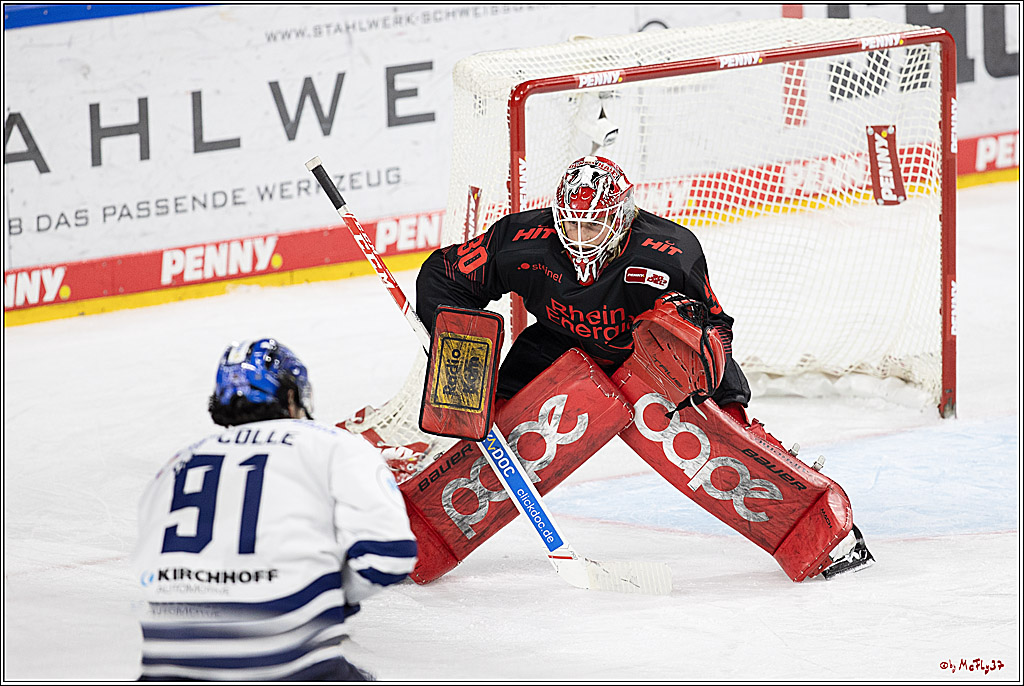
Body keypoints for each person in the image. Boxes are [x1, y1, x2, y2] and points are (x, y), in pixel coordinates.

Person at [132, 338, 417, 681]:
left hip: (168, 664)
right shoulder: (335, 446)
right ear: (292, 397)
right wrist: (328, 594)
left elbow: (151, 567)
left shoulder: (175, 464)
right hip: (282, 662)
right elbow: (391, 555)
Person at [416, 154, 751, 420]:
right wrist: (460, 350)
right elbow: (443, 275)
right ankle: (497, 425)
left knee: (702, 348)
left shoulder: (671, 253)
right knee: (520, 369)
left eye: (592, 225)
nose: (579, 237)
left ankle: (738, 427)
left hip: (647, 356)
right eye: (569, 223)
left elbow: (717, 325)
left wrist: (702, 359)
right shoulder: (520, 243)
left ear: (621, 215)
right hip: (564, 343)